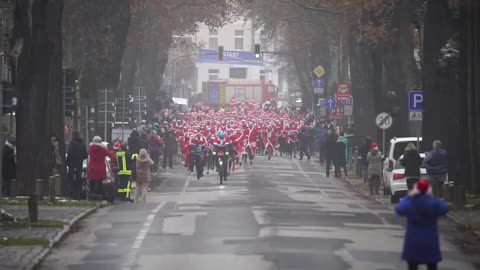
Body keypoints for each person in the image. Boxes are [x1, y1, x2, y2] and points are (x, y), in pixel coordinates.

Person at [395, 180, 449, 270]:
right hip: (431, 242)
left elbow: (399, 209)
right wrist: (431, 197)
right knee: (432, 266)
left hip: (413, 242)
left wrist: (409, 196)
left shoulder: (410, 203)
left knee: (412, 266)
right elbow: (445, 207)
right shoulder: (434, 203)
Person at [66, 131, 88, 199]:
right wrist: (80, 159)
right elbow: (85, 154)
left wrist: (68, 162)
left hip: (72, 164)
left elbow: (69, 153)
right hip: (79, 164)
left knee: (71, 178)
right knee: (79, 179)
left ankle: (71, 193)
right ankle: (78, 193)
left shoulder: (71, 143)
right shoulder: (82, 143)